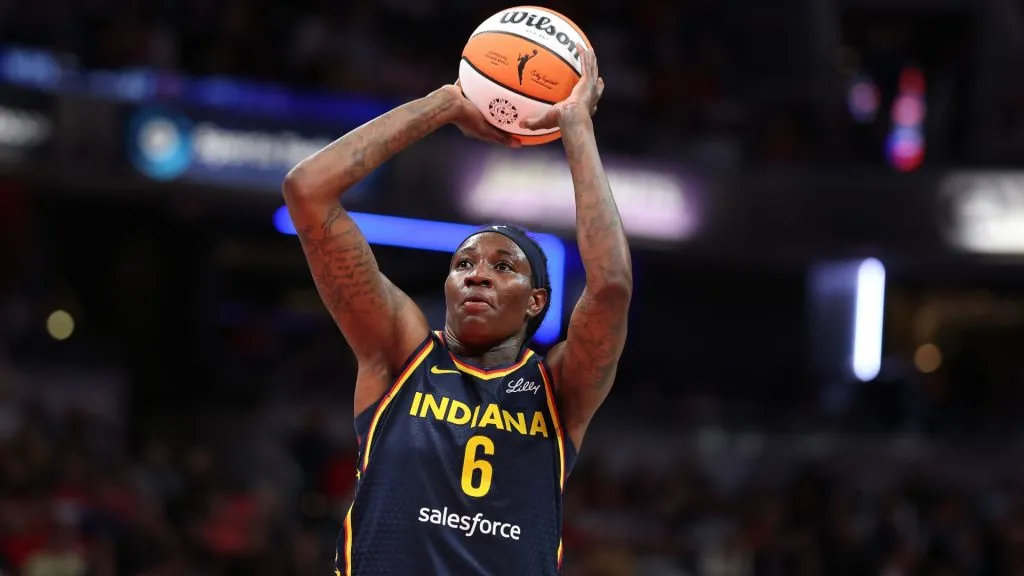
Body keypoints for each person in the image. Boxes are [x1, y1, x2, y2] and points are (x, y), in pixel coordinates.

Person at [282, 44, 631, 576]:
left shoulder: (560, 387)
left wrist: (575, 125)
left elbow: (610, 287)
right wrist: (443, 103)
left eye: (504, 267)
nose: (478, 273)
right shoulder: (400, 352)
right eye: (464, 262)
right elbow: (307, 190)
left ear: (537, 300)